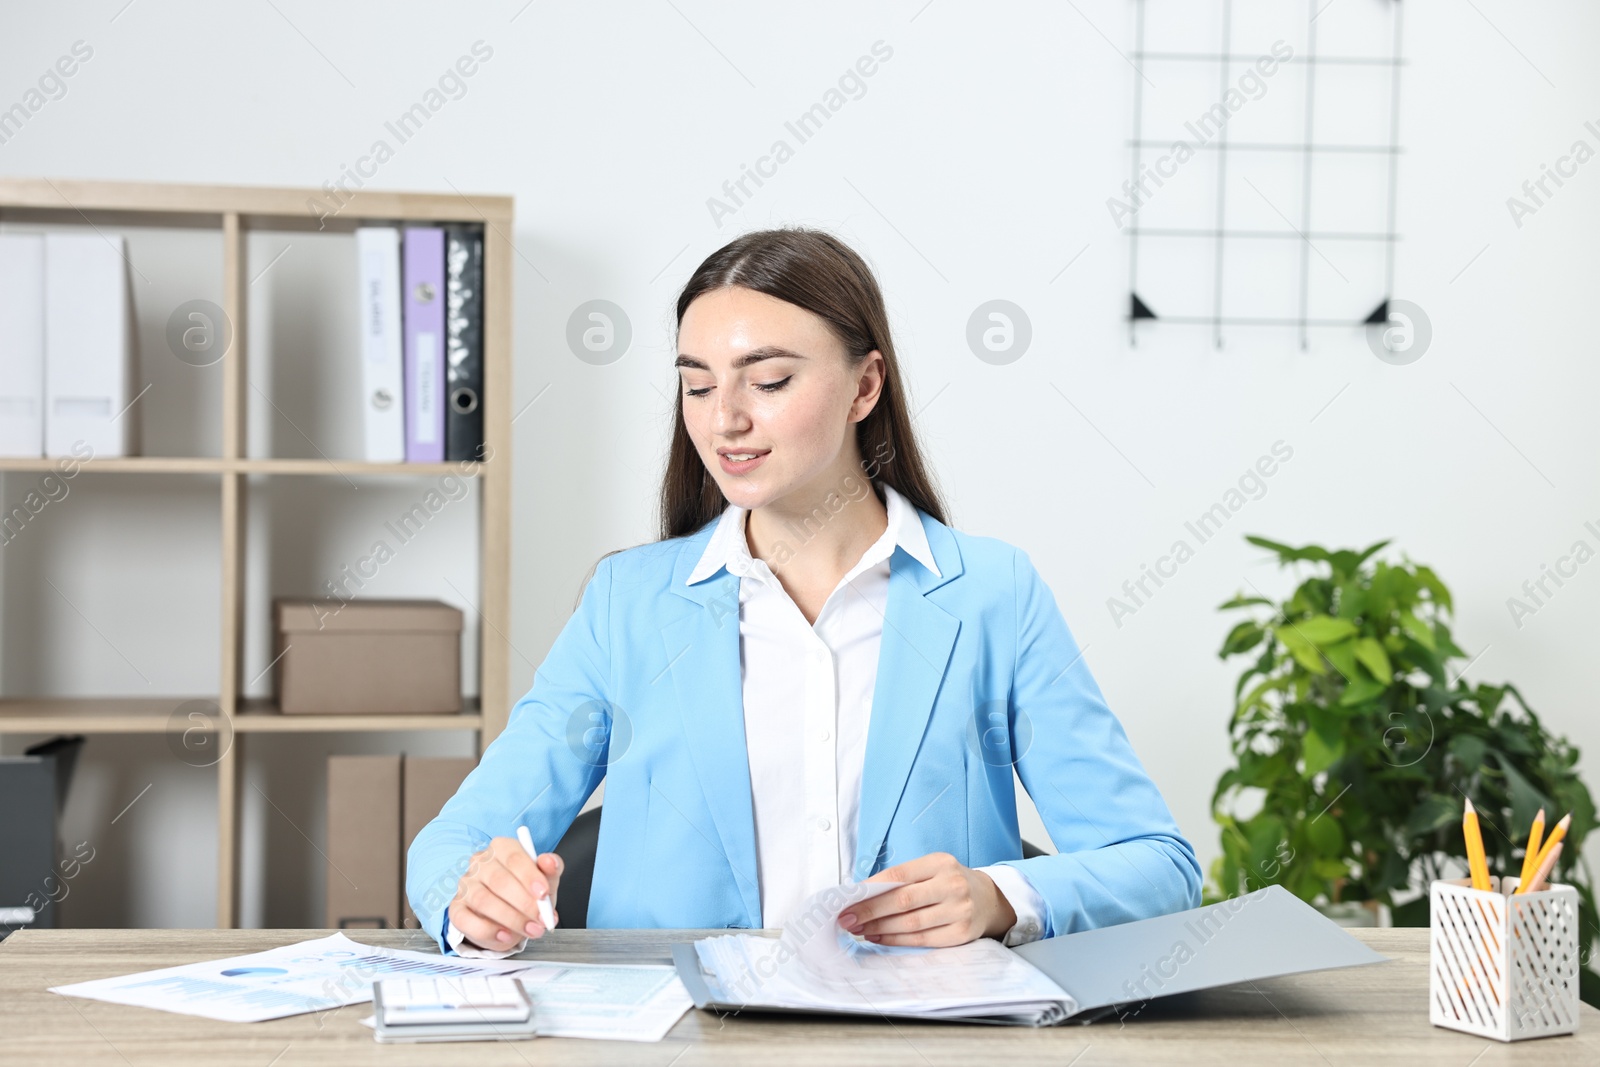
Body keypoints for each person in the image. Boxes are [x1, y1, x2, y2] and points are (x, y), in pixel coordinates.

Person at [406, 228, 1200, 957]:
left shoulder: (993, 595)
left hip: (920, 1043)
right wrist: (475, 896)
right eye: (697, 386)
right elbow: (451, 847)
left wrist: (1002, 896)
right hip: (683, 1042)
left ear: (865, 387)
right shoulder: (629, 604)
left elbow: (1159, 865)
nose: (726, 421)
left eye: (771, 380)